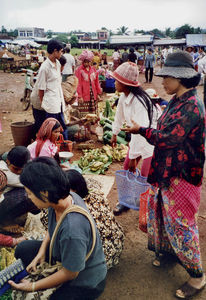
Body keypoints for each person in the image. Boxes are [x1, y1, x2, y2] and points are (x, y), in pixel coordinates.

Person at [122, 51, 206, 299]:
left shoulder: (191, 105)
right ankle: (171, 253)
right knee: (165, 215)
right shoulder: (179, 100)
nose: (162, 82)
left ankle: (197, 276)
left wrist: (141, 130)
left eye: (167, 77)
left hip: (182, 175)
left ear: (180, 78)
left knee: (182, 224)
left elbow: (168, 138)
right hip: (170, 172)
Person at [9, 157, 107, 299]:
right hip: (66, 255)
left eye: (30, 193)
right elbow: (53, 227)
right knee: (23, 249)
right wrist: (41, 252)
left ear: (44, 193)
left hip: (86, 282)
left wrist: (33, 286)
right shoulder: (61, 199)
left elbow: (71, 273)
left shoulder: (72, 230)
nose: (28, 197)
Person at [110, 62, 161, 215]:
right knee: (126, 170)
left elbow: (141, 133)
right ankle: (125, 201)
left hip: (149, 140)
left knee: (145, 175)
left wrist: (133, 157)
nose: (114, 83)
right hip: (137, 138)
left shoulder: (139, 102)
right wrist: (114, 134)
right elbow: (118, 118)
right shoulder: (123, 98)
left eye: (117, 80)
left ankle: (146, 204)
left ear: (125, 84)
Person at [66, 169, 125, 269]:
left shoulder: (76, 209)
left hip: (101, 260)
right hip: (117, 245)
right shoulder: (97, 195)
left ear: (74, 190)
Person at [30, 39, 68, 140]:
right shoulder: (45, 68)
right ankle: (52, 150)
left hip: (58, 101)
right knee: (52, 130)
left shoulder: (58, 63)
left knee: (62, 127)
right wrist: (44, 104)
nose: (61, 53)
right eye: (61, 51)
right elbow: (41, 89)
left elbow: (57, 83)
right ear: (55, 51)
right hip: (50, 104)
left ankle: (63, 146)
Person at [0, 146, 39, 226]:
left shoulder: (8, 158)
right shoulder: (4, 173)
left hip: (7, 194)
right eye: (16, 169)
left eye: (22, 168)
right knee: (29, 195)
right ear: (7, 161)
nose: (19, 172)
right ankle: (4, 222)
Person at [75, 50, 102, 135]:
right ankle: (85, 131)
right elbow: (77, 83)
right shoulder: (79, 70)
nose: (87, 63)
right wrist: (79, 96)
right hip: (84, 95)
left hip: (92, 94)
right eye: (85, 62)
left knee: (91, 113)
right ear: (83, 61)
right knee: (84, 114)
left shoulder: (93, 69)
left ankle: (90, 129)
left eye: (88, 62)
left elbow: (96, 82)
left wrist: (98, 93)